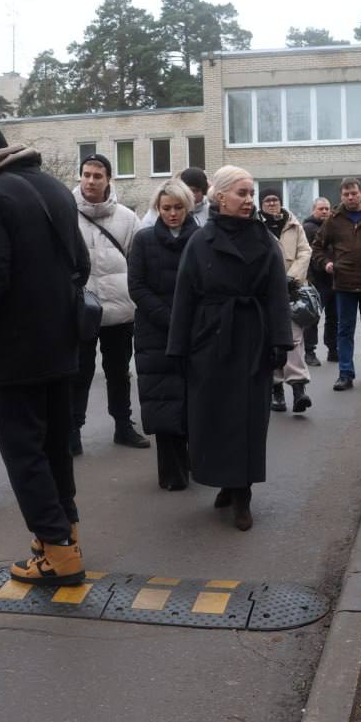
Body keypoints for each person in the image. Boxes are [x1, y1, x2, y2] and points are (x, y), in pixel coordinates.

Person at [0, 123, 90, 586]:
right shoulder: (55, 188)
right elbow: (81, 264)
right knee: (56, 446)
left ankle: (58, 553)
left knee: (23, 452)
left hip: (13, 349)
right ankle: (65, 533)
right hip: (61, 342)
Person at [167, 165, 292, 531]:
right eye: (242, 193)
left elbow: (277, 293)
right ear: (220, 197)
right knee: (214, 416)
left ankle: (243, 493)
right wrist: (178, 348)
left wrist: (280, 341)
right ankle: (226, 480)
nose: (249, 200)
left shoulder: (264, 239)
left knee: (248, 417)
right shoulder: (200, 241)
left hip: (252, 337)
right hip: (210, 339)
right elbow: (184, 296)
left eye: (251, 193)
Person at [72, 152, 148, 453]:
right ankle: (72, 431)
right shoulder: (66, 213)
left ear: (108, 180)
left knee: (119, 372)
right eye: (86, 175)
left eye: (97, 176)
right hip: (80, 310)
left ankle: (123, 426)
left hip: (119, 310)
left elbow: (140, 261)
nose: (90, 181)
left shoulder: (128, 218)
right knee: (79, 373)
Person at [127, 179, 199, 490]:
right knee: (163, 403)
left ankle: (198, 464)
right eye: (166, 207)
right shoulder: (144, 240)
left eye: (178, 207)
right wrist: (170, 319)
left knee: (194, 403)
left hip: (195, 331)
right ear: (158, 208)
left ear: (187, 207)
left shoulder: (201, 239)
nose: (172, 213)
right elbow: (136, 287)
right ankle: (172, 475)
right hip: (155, 334)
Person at [312, 178, 361, 391]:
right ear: (341, 196)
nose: (350, 197)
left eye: (353, 193)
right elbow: (317, 247)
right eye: (346, 194)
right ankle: (345, 373)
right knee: (345, 330)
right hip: (344, 284)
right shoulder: (334, 219)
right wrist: (326, 263)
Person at [259, 187, 313, 414]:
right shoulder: (256, 227)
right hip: (265, 292)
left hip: (292, 291)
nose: (272, 203)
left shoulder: (294, 224)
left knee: (294, 339)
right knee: (270, 339)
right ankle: (276, 390)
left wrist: (291, 278)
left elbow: (305, 252)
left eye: (275, 200)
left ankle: (299, 389)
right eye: (267, 200)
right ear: (261, 204)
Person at [301, 197, 336, 367]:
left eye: (327, 209)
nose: (324, 211)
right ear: (313, 210)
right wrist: (308, 279)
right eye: (321, 208)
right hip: (317, 281)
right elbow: (305, 255)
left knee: (334, 318)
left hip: (335, 280)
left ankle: (333, 350)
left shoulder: (333, 226)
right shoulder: (308, 228)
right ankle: (310, 352)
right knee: (312, 318)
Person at [139, 167, 210, 228]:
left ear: (204, 191)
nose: (192, 195)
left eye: (196, 191)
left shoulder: (209, 210)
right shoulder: (154, 213)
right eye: (166, 209)